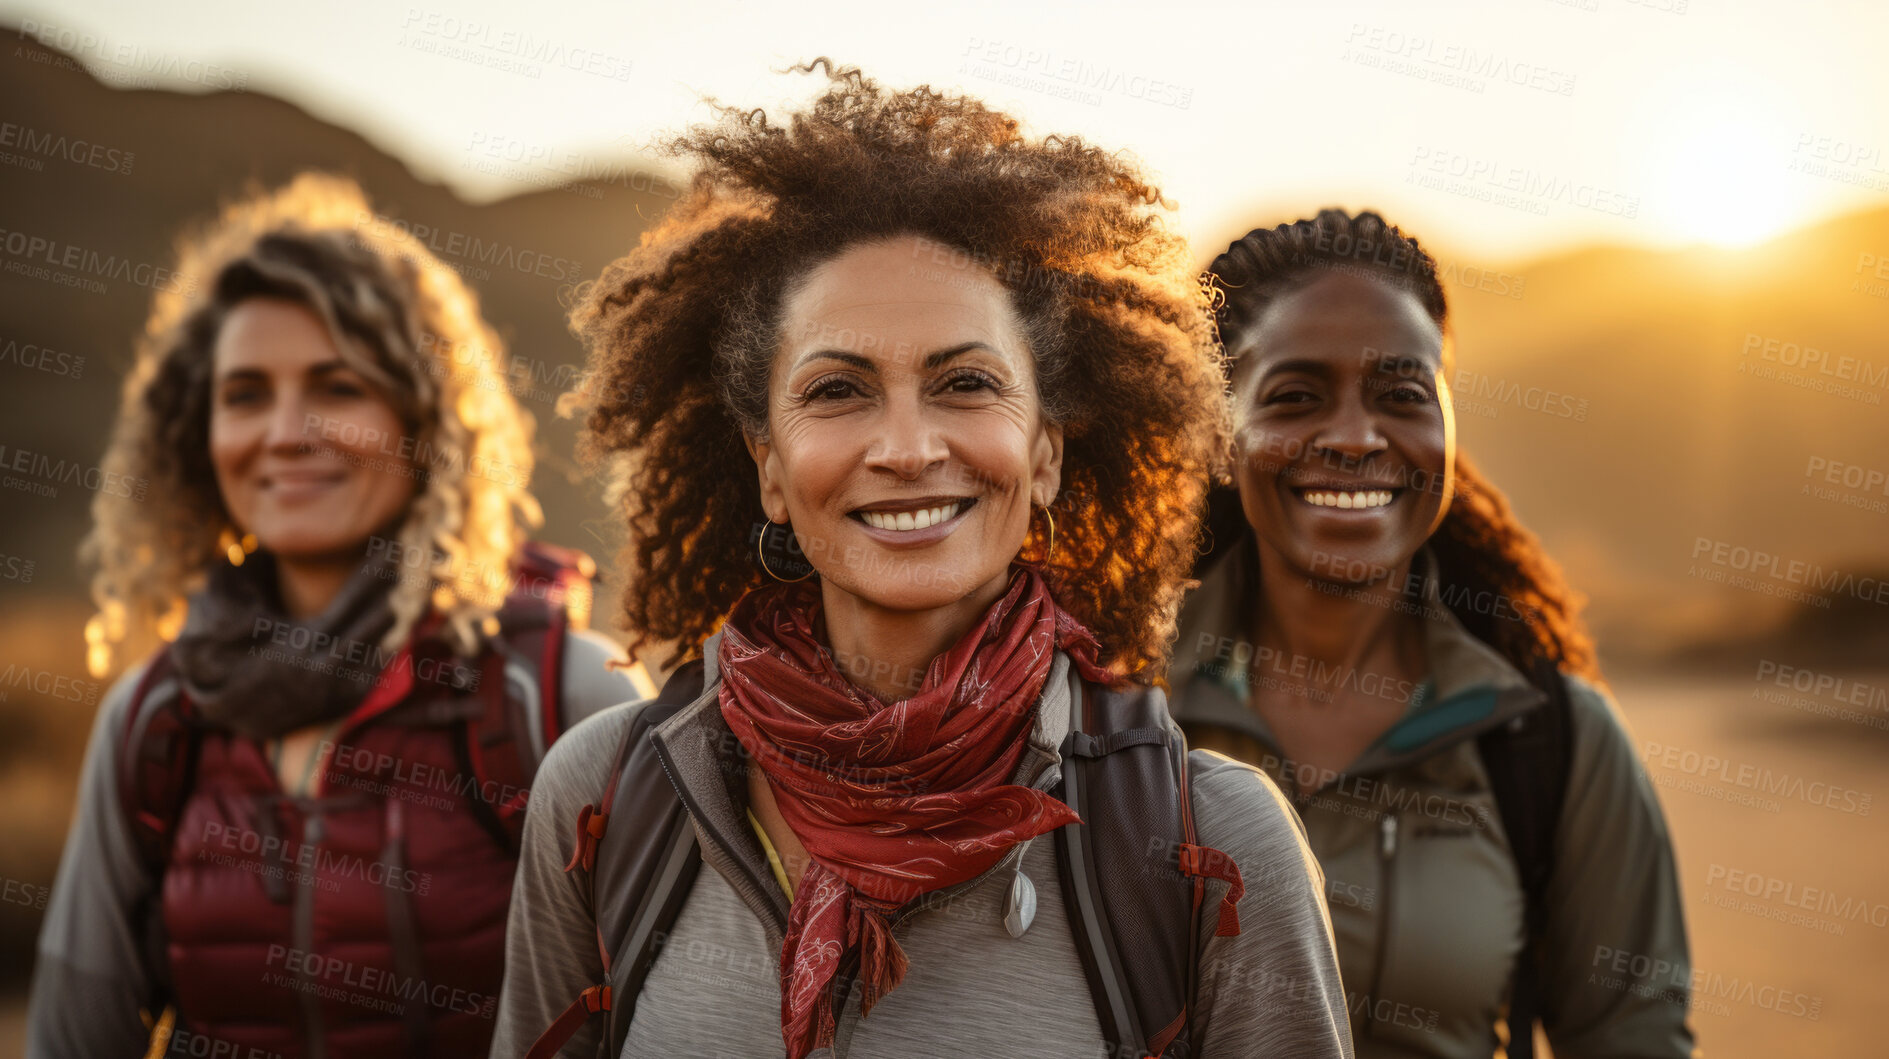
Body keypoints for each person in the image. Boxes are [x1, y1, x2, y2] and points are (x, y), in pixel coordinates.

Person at [489, 60, 1353, 1059]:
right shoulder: (603, 796)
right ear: (767, 465)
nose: (904, 448)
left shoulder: (1213, 845)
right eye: (835, 392)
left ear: (1045, 454)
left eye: (964, 383)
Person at [28, 173, 640, 1058]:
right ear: (195, 437)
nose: (285, 431)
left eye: (336, 387)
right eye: (244, 394)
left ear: (423, 421)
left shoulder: (558, 693)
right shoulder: (155, 718)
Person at [1168, 209, 1699, 1058]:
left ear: (1447, 425)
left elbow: (1633, 1038)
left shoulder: (1549, 738)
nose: (1352, 436)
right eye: (1296, 395)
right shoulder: (1109, 703)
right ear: (1221, 438)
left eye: (1400, 395)